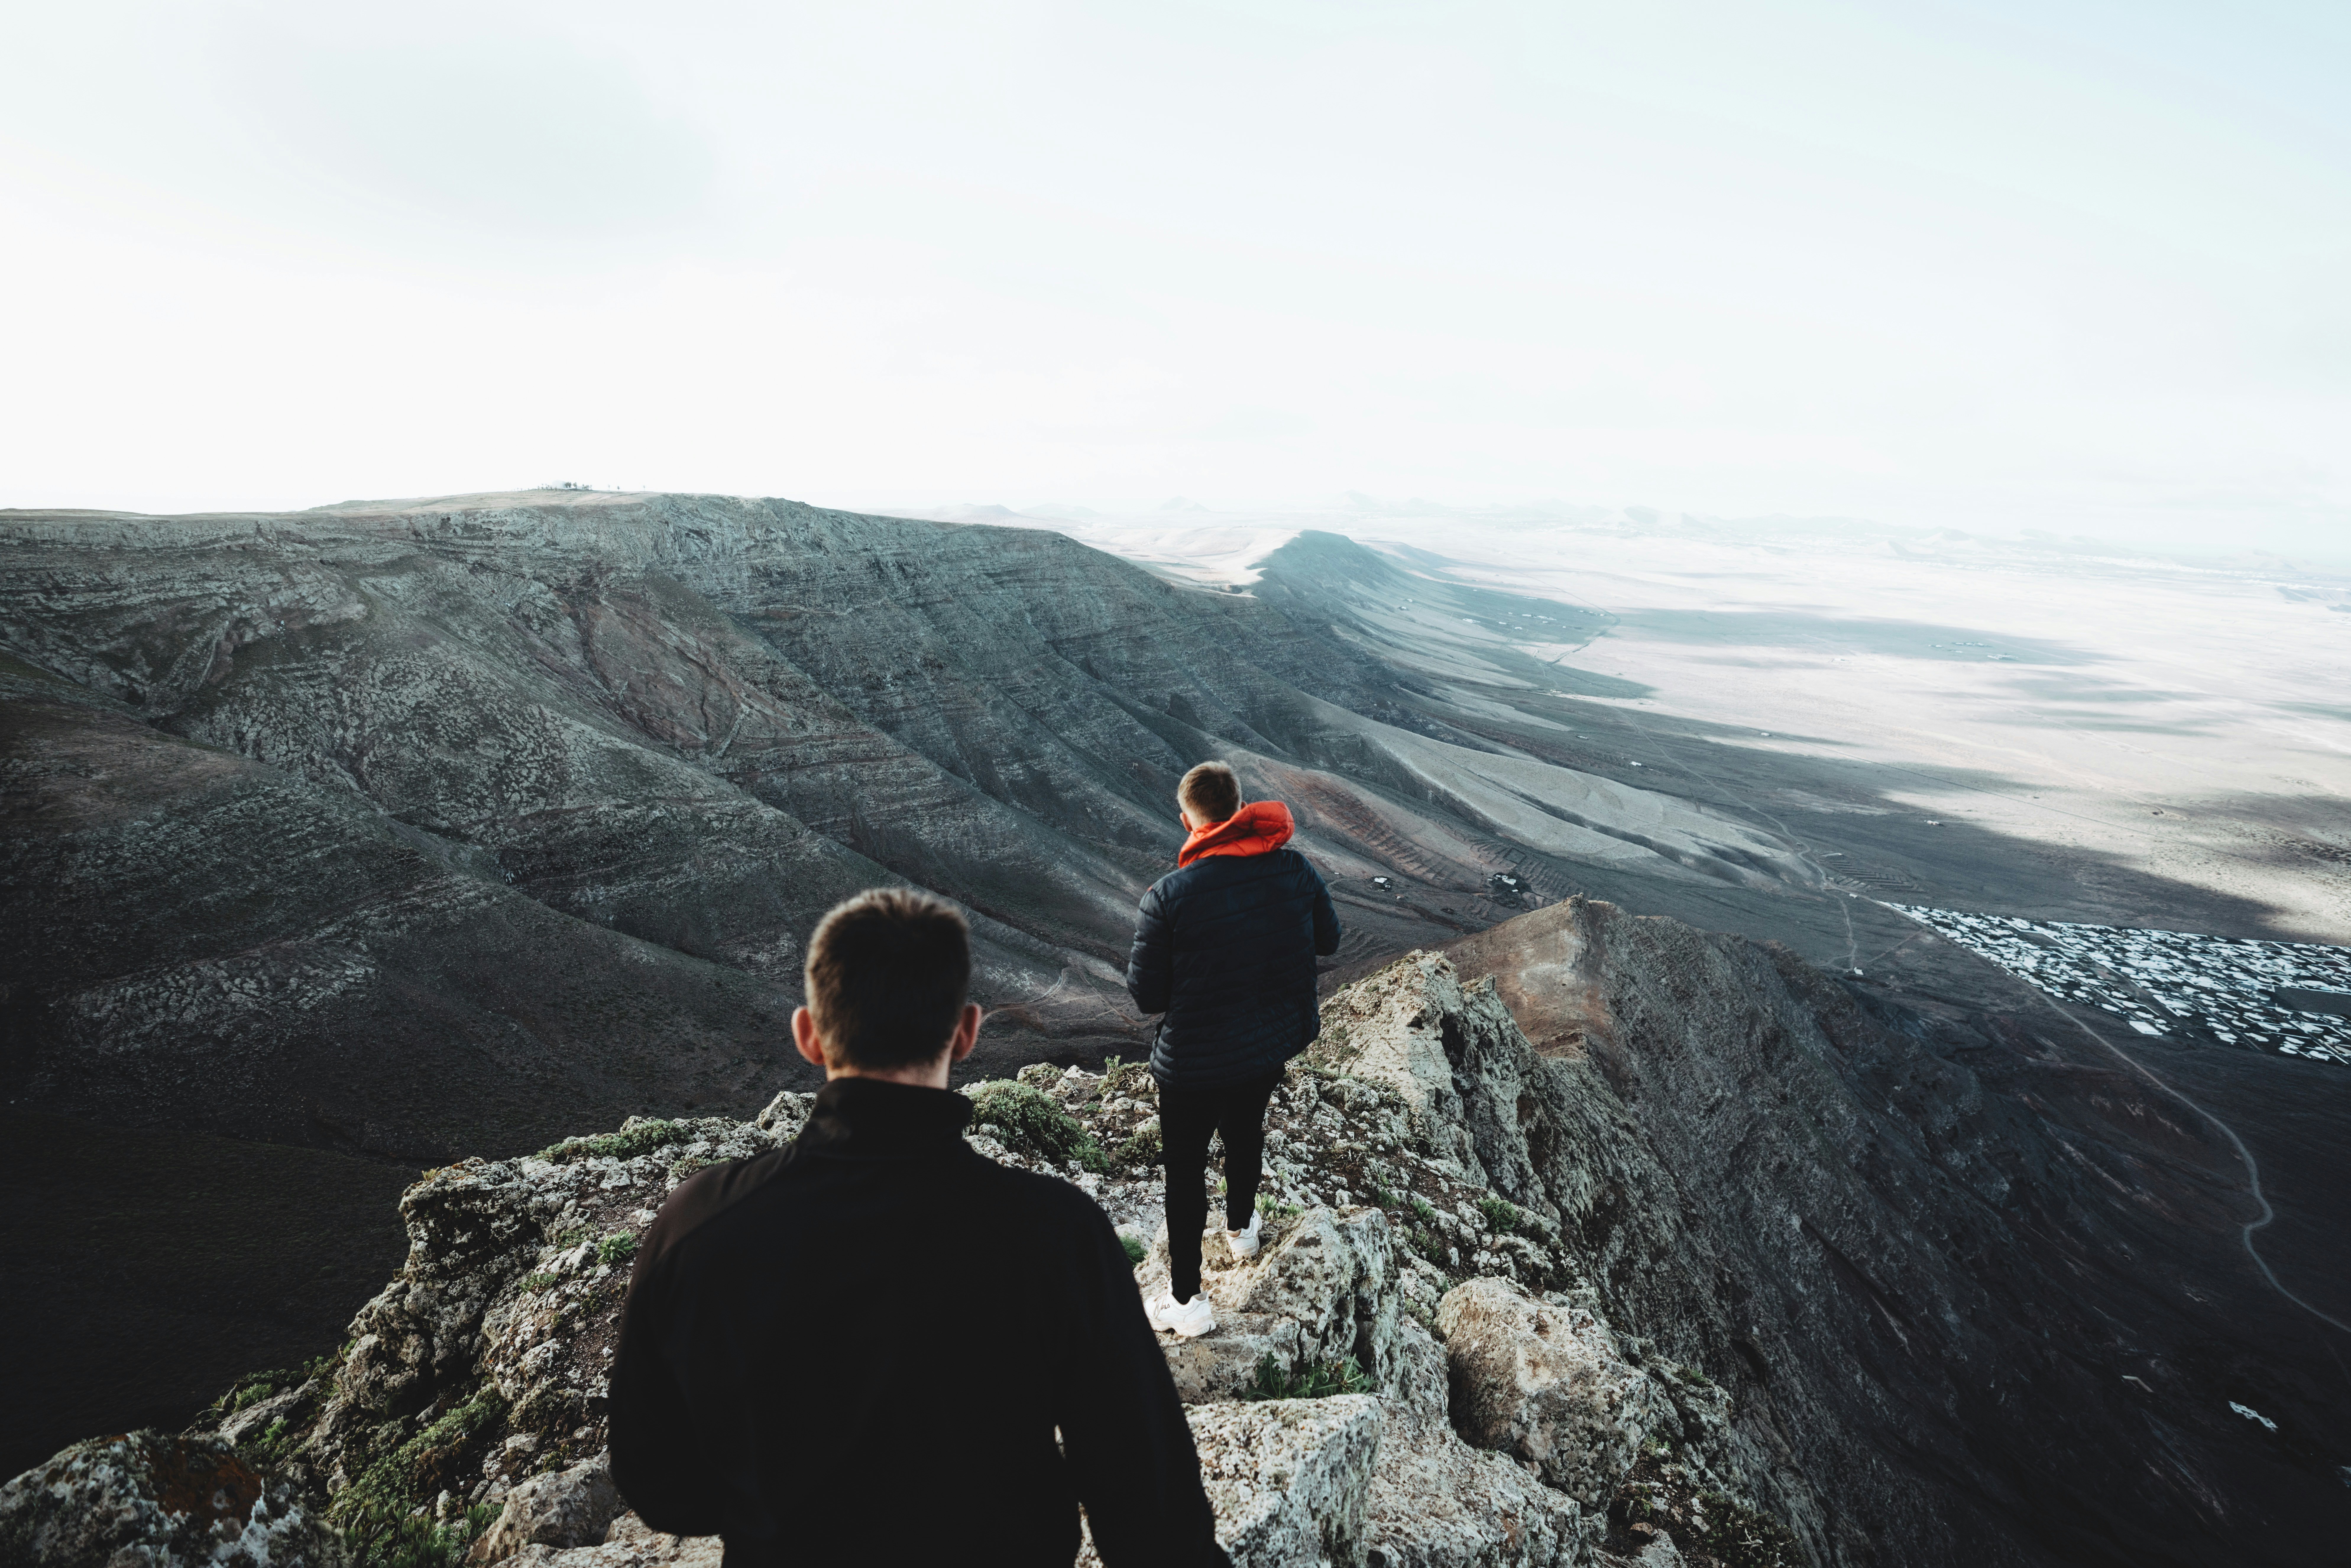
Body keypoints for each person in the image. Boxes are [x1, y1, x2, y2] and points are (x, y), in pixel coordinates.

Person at [610, 888, 1228, 1568]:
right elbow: (1146, 1502)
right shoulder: (1055, 1233)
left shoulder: (699, 1227)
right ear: (966, 1033)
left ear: (808, 1035)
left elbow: (658, 1484)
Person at [1124, 762, 1341, 1339]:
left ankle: (1187, 1301)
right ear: (1240, 807)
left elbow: (1147, 996)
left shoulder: (1167, 897)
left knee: (1185, 1173)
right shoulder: (1293, 869)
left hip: (1192, 1059)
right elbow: (1329, 939)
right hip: (1265, 1043)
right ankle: (1242, 1229)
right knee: (1246, 1130)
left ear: (1188, 819)